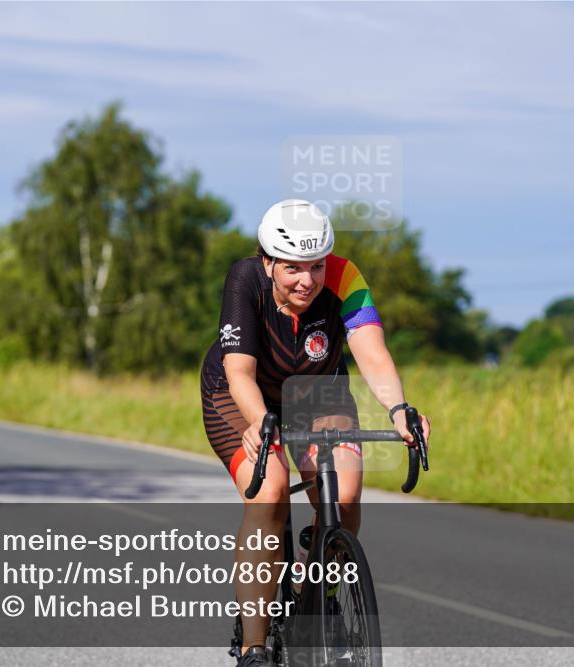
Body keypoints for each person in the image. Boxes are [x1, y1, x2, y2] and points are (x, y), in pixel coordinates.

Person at [199, 199, 431, 666]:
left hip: (316, 395)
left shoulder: (346, 278)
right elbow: (240, 372)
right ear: (268, 263)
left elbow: (372, 353)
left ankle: (313, 597)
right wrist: (260, 422)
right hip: (239, 395)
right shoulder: (245, 280)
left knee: (344, 498)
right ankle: (254, 645)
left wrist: (398, 409)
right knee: (271, 495)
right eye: (292, 269)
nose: (307, 280)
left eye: (316, 266)